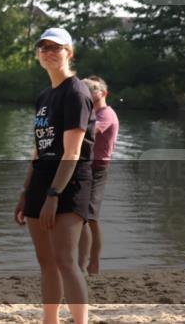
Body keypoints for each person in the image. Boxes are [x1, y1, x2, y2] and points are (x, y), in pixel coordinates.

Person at [14, 27, 95, 324]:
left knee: (65, 261)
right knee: (46, 262)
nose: (48, 52)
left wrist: (53, 195)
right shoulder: (44, 96)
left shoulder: (76, 93)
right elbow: (39, 149)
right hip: (41, 180)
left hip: (69, 184)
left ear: (69, 52)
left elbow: (72, 153)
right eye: (43, 47)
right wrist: (26, 192)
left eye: (55, 47)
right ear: (37, 54)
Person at [78, 75, 118, 275]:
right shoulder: (90, 112)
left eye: (92, 89)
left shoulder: (106, 114)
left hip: (98, 169)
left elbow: (90, 133)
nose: (88, 93)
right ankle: (81, 262)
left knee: (90, 217)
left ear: (103, 93)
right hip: (84, 167)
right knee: (81, 216)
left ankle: (94, 263)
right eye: (85, 89)